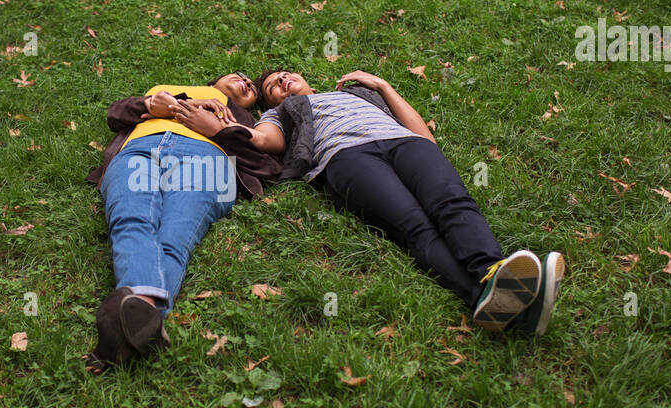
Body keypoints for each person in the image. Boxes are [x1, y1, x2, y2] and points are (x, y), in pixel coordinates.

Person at [241, 68, 564, 335]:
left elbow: (425, 137)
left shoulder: (353, 93)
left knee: (453, 201)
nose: (282, 81)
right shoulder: (279, 113)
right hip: (346, 158)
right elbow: (264, 139)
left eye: (284, 75)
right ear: (271, 102)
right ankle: (488, 291)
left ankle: (495, 280)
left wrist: (382, 85)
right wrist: (228, 127)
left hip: (406, 143)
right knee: (416, 227)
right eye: (273, 87)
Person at [84, 72, 282, 370]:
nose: (246, 82)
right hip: (139, 151)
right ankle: (142, 318)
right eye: (240, 76)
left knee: (176, 233)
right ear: (216, 80)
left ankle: (136, 313)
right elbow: (115, 113)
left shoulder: (245, 120)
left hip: (207, 159)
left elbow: (267, 165)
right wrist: (156, 103)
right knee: (129, 219)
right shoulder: (165, 86)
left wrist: (219, 131)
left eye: (253, 88)